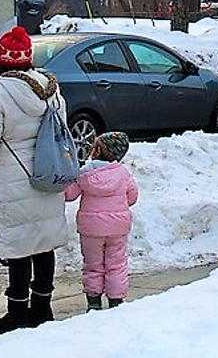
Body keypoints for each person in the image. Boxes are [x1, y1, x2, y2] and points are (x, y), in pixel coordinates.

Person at [0, 25, 69, 334]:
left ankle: (18, 312)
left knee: (20, 248)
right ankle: (43, 307)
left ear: (1, 61)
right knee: (43, 243)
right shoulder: (51, 89)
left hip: (12, 183)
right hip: (48, 178)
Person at [65, 131, 139, 311]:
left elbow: (69, 195)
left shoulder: (84, 174)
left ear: (96, 151)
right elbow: (132, 197)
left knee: (92, 265)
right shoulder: (123, 173)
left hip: (91, 229)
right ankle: (116, 303)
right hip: (118, 227)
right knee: (117, 264)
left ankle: (93, 302)